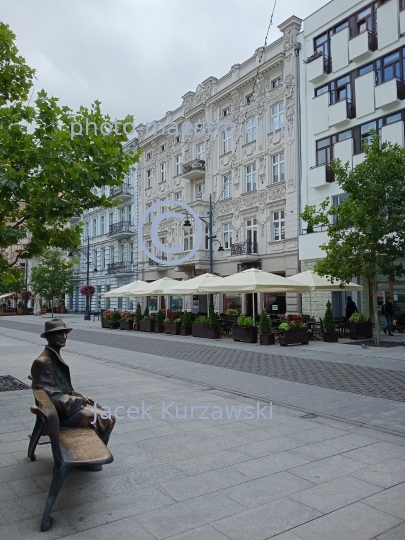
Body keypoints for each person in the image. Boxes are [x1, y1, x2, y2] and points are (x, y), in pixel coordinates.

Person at [31, 318, 115, 466]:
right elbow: (53, 397)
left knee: (102, 411)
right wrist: (80, 401)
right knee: (107, 418)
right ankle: (90, 460)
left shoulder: (53, 357)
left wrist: (79, 396)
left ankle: (90, 453)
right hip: (59, 416)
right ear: (49, 337)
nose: (64, 336)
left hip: (64, 409)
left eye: (65, 332)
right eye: (59, 333)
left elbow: (61, 389)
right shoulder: (43, 361)